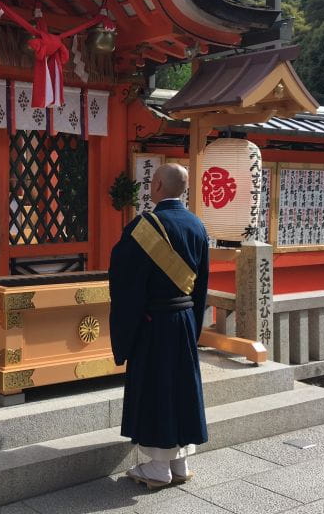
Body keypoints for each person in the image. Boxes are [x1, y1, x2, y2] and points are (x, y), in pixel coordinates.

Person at [108, 163, 209, 489]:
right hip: (184, 320)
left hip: (153, 323)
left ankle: (157, 468)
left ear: (156, 186)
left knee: (157, 390)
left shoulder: (143, 227)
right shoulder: (197, 225)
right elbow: (202, 285)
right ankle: (179, 462)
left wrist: (128, 328)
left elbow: (125, 283)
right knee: (180, 388)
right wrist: (194, 326)